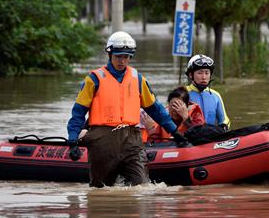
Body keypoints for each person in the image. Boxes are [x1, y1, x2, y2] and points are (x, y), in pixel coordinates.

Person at [66, 31, 187, 188]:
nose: (122, 60)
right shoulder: (94, 79)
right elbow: (78, 113)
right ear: (110, 54)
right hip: (103, 140)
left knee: (142, 187)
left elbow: (156, 109)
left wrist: (175, 132)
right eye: (118, 56)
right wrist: (73, 140)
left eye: (126, 56)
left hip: (132, 140)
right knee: (100, 189)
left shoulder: (138, 79)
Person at [185, 54, 231, 129]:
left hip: (210, 136)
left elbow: (225, 119)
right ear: (191, 75)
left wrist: (223, 126)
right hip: (189, 137)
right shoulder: (182, 94)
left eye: (207, 73)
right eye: (200, 73)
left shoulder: (216, 95)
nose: (204, 77)